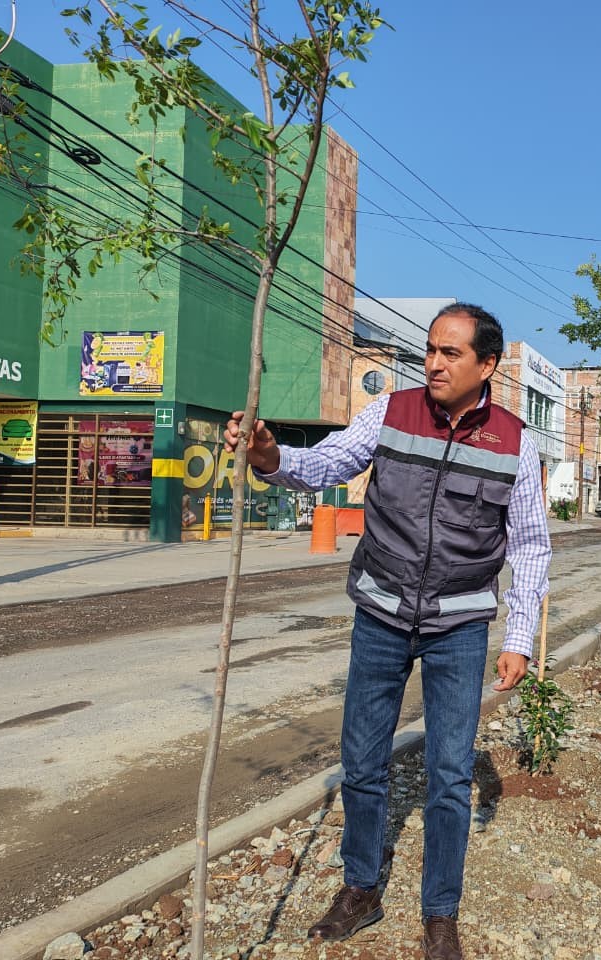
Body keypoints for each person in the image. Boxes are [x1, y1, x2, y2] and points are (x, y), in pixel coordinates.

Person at [224, 303, 550, 960]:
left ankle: (440, 916)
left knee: (451, 774)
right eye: (430, 349)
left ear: (487, 365)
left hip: (458, 628)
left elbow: (532, 544)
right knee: (363, 763)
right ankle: (361, 890)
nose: (433, 362)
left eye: (450, 353)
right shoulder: (390, 414)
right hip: (380, 615)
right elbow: (323, 465)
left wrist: (519, 636)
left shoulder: (516, 442)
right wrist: (268, 455)